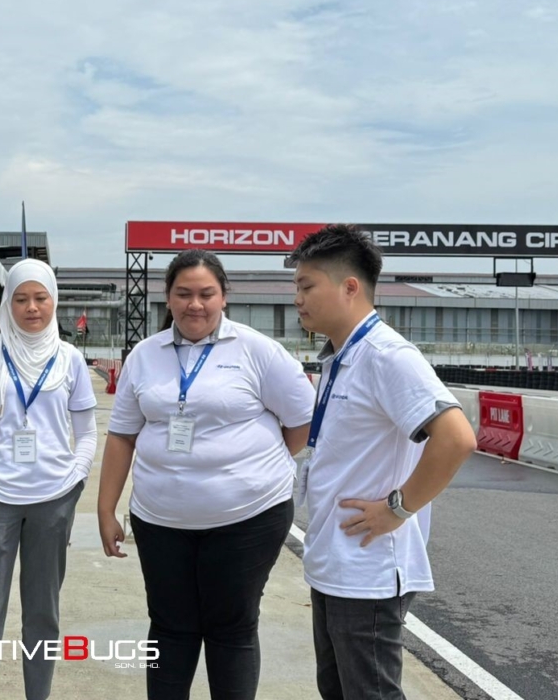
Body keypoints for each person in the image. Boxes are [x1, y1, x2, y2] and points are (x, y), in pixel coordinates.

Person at [98, 249, 316, 700]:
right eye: (183, 294)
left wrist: (249, 466)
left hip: (248, 518)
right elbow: (122, 435)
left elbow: (302, 422)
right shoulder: (145, 355)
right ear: (167, 297)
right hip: (160, 521)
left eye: (206, 294)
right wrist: (106, 509)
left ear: (223, 297)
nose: (194, 304)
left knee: (231, 627)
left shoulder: (257, 351)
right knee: (169, 626)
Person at [287, 224, 476, 700]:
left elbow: (456, 438)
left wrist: (398, 508)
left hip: (367, 571)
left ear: (349, 287)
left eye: (307, 286)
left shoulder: (386, 355)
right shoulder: (341, 356)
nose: (298, 299)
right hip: (336, 560)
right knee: (338, 689)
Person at [0, 258, 97, 700]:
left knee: (43, 612)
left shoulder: (69, 359)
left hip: (54, 498)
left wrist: (76, 477)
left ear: (54, 301)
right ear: (8, 304)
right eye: (21, 299)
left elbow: (88, 432)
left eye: (40, 298)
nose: (32, 308)